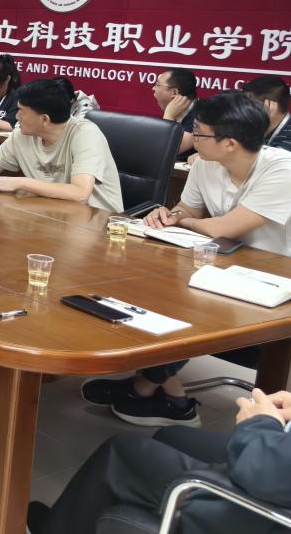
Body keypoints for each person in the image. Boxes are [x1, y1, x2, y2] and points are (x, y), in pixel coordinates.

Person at [82, 91, 291, 427]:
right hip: (219, 267)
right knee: (149, 290)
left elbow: (225, 228)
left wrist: (184, 221)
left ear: (230, 143)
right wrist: (170, 215)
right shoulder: (206, 163)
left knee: (179, 304)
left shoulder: (282, 169)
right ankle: (166, 392)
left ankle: (152, 389)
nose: (193, 138)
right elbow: (188, 209)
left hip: (272, 285)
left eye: (200, 133)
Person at [27, 387, 291, 534]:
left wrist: (259, 424)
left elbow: (268, 473)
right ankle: (80, 517)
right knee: (172, 436)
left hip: (268, 511)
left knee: (123, 453)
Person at [0, 79, 123, 212]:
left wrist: (21, 183)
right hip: (51, 214)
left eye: (21, 111)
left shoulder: (85, 134)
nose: (16, 117)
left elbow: (80, 193)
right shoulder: (22, 134)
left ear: (44, 119)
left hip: (98, 223)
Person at [153, 67, 198, 160]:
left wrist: (169, 115)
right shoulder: (180, 112)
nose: (153, 88)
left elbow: (165, 150)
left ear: (174, 92)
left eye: (157, 85)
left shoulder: (200, 115)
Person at [242, 75, 291, 152]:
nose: (244, 110)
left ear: (269, 106)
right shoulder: (254, 127)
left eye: (250, 105)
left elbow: (250, 158)